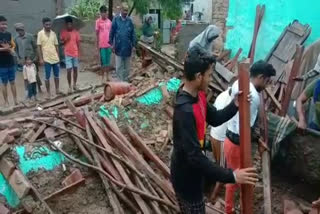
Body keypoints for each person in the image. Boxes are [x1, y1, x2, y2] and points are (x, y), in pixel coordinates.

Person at [171, 46, 258, 214]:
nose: (210, 79)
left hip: (193, 174)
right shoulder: (184, 111)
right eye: (209, 75)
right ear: (198, 77)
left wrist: (235, 105)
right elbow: (195, 157)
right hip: (186, 179)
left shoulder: (199, 96)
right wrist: (232, 176)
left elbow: (215, 118)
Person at [224, 60, 276, 214]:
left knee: (235, 177)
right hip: (237, 143)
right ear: (260, 77)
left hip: (230, 139)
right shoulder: (252, 95)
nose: (267, 86)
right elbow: (247, 127)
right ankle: (231, 209)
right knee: (237, 179)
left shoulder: (240, 82)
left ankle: (233, 207)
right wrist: (259, 140)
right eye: (267, 81)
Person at [209, 86, 233, 202]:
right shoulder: (231, 101)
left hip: (213, 134)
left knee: (219, 163)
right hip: (221, 138)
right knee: (223, 169)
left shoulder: (222, 94)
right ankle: (213, 196)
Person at [109, 3, 136, 82]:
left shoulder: (129, 21)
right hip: (118, 47)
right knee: (118, 67)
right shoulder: (116, 20)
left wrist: (134, 45)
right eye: (124, 10)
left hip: (127, 48)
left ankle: (125, 82)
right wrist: (111, 44)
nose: (125, 12)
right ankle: (120, 83)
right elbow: (112, 32)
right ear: (121, 10)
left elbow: (133, 34)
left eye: (127, 10)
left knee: (127, 68)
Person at [14, 23, 42, 95]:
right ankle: (28, 91)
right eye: (18, 30)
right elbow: (16, 50)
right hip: (23, 60)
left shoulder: (30, 36)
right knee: (25, 76)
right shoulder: (16, 39)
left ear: (24, 29)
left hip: (32, 59)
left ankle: (39, 87)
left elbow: (35, 47)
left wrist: (36, 57)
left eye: (21, 30)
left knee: (35, 74)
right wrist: (18, 59)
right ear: (17, 31)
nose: (20, 31)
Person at [37, 17, 60, 99]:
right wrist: (40, 58)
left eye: (49, 24)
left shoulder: (53, 34)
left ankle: (57, 89)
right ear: (43, 25)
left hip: (55, 58)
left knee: (57, 76)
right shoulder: (40, 34)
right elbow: (39, 47)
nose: (48, 26)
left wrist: (58, 57)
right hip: (46, 59)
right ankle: (48, 92)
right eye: (46, 24)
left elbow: (56, 46)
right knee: (47, 77)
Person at [0, 16, 18, 106]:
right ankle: (6, 101)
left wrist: (10, 49)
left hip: (10, 61)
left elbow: (12, 46)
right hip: (1, 63)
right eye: (3, 24)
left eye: (6, 24)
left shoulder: (9, 34)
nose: (5, 26)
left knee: (13, 81)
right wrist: (4, 49)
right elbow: (6, 48)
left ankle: (15, 100)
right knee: (4, 83)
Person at [60, 17, 80, 93]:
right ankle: (69, 86)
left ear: (72, 24)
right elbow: (61, 43)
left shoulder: (76, 32)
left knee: (75, 70)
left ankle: (74, 84)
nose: (69, 26)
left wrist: (79, 53)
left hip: (75, 53)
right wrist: (66, 40)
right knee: (68, 70)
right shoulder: (63, 32)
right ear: (66, 25)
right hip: (67, 54)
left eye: (70, 24)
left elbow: (78, 43)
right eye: (68, 24)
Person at [96, 5, 113, 82]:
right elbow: (97, 34)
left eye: (105, 12)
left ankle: (108, 76)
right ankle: (102, 77)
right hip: (102, 45)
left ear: (106, 13)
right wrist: (97, 45)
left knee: (108, 62)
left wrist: (112, 44)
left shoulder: (110, 22)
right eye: (102, 12)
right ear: (100, 13)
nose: (104, 14)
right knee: (103, 62)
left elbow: (111, 34)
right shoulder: (98, 22)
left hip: (108, 45)